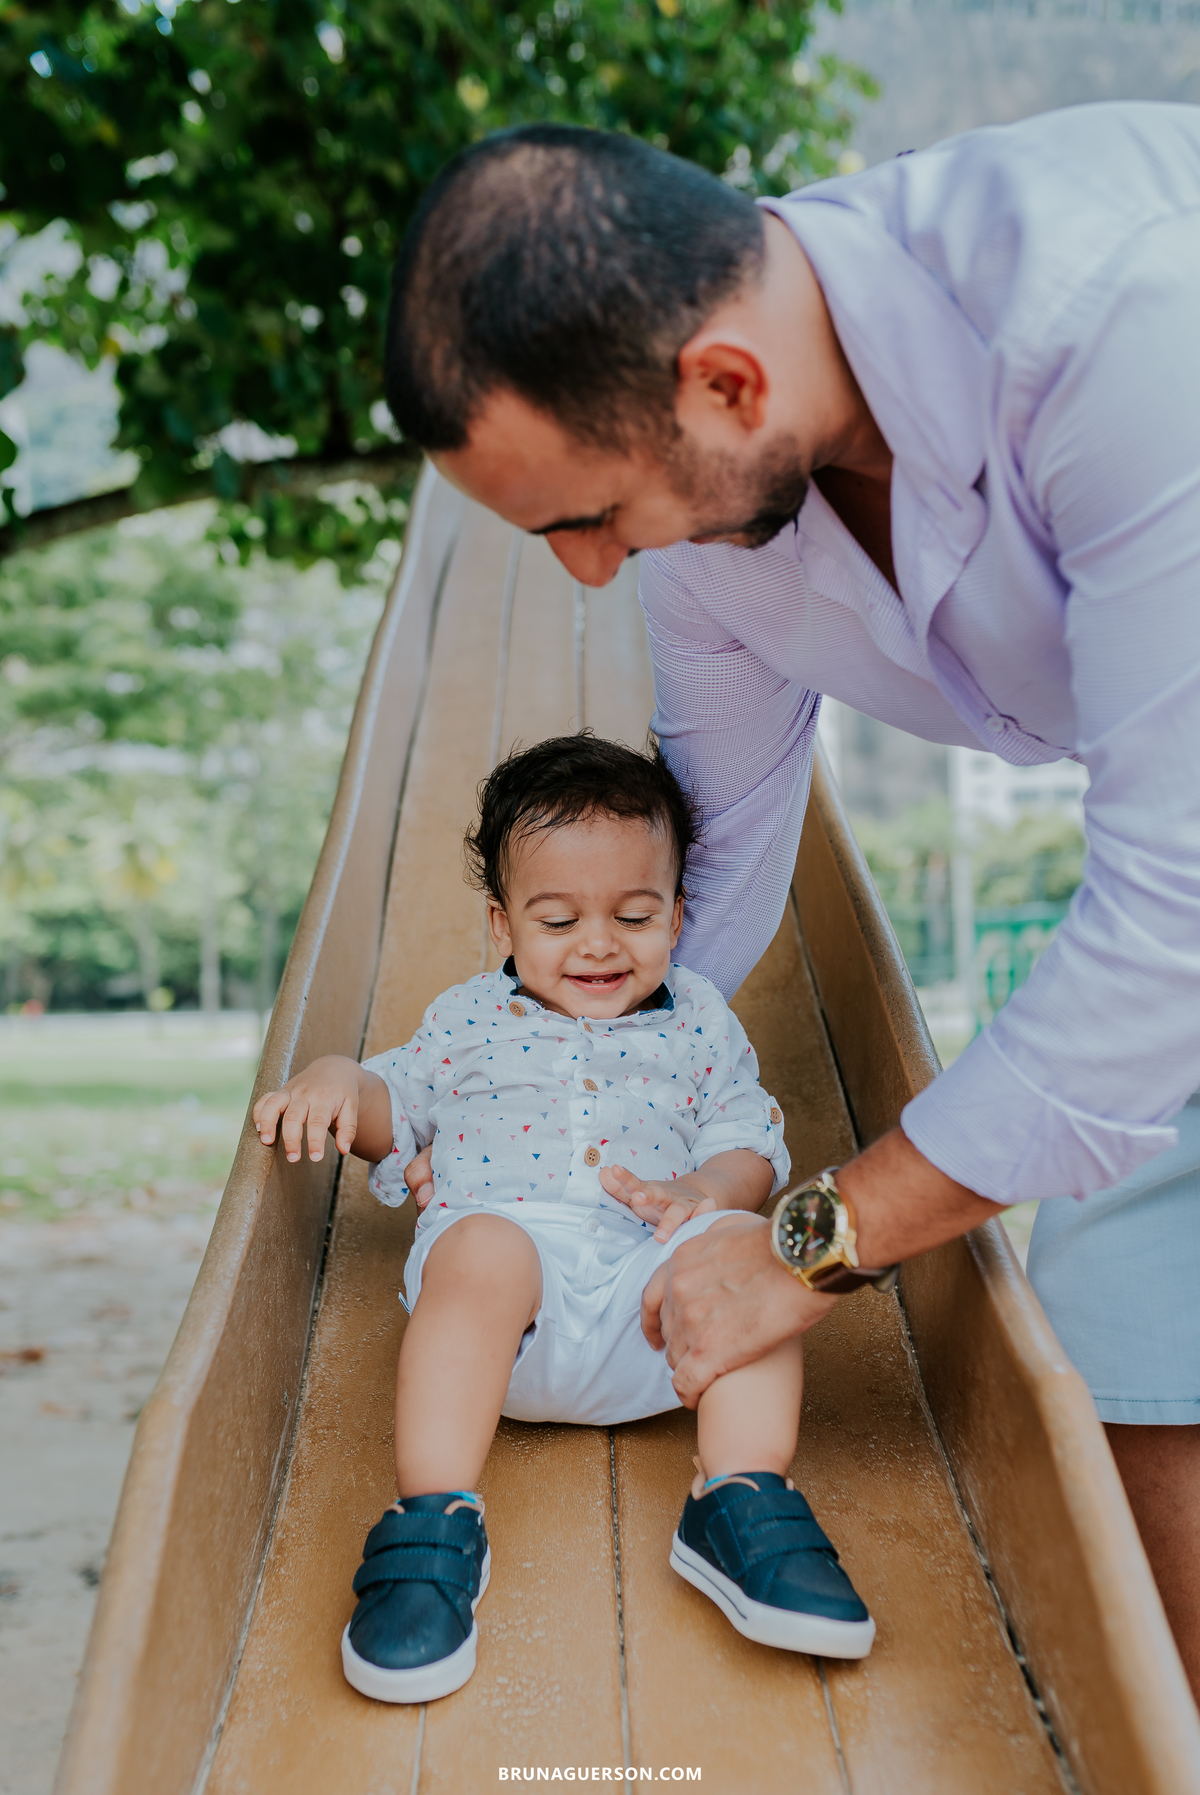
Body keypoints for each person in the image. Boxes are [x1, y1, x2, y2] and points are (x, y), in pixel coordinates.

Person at [382, 106, 1200, 1697]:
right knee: (1125, 1322)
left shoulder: (1132, 326)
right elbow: (720, 869)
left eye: (587, 515)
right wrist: (549, 1081)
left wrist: (810, 1241)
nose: (590, 575)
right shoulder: (716, 519)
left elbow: (1171, 922)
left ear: (728, 385)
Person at [253, 735, 875, 1704]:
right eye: (557, 919)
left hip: (666, 1318)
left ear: (677, 915)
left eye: (634, 914)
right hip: (512, 1323)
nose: (598, 943)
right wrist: (340, 1080)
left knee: (751, 1251)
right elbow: (394, 1102)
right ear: (503, 924)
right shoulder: (467, 1018)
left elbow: (749, 1139)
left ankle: (740, 1494)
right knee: (485, 1247)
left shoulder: (700, 1019)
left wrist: (708, 1195)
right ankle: (433, 1524)